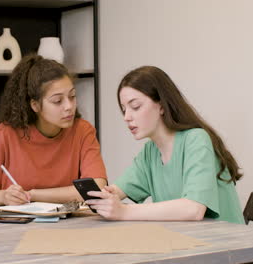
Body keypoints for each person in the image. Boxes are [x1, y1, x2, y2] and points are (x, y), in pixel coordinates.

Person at [86, 66, 244, 224]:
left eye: (135, 107)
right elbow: (117, 191)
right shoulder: (150, 151)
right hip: (189, 240)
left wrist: (123, 211)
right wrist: (106, 198)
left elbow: (194, 209)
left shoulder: (196, 140)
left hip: (227, 244)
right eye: (124, 109)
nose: (127, 117)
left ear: (161, 105)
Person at [0, 54, 107, 207]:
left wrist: (33, 194)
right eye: (57, 101)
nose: (69, 106)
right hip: (16, 227)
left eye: (72, 96)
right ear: (35, 105)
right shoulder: (5, 135)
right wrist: (4, 197)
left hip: (68, 225)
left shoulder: (83, 131)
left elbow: (97, 188)